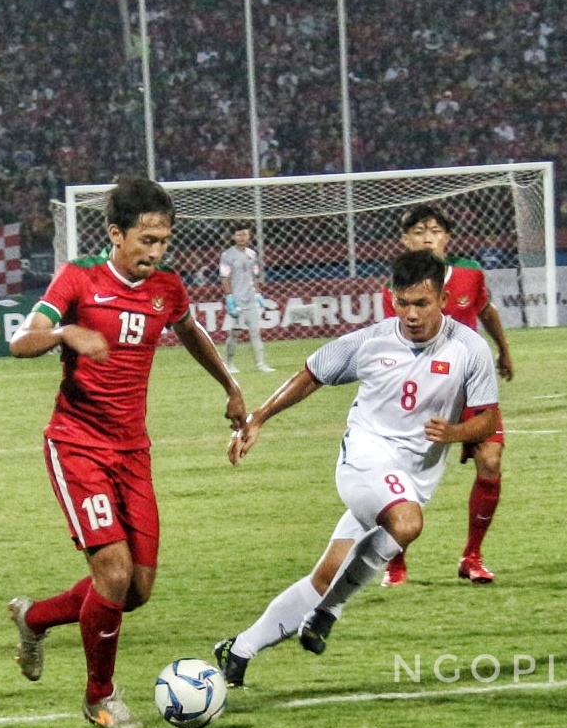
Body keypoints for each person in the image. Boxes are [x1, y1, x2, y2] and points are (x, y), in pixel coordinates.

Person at [6, 177, 247, 728]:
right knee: (111, 572)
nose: (156, 252)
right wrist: (67, 333)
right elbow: (21, 341)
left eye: (164, 241)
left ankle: (34, 617)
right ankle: (100, 698)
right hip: (76, 445)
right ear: (116, 234)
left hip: (133, 452)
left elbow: (191, 333)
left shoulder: (167, 286)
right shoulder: (80, 279)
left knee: (135, 590)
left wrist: (230, 387)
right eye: (146, 240)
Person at [213, 249, 501, 687]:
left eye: (421, 304)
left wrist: (456, 434)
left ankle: (239, 649)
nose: (410, 314)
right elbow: (311, 372)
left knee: (325, 575)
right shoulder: (371, 342)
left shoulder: (470, 349)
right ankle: (328, 611)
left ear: (442, 298)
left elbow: (488, 419)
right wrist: (259, 418)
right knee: (406, 522)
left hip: (410, 477)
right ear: (391, 298)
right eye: (402, 303)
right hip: (364, 459)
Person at [376, 206, 515, 587]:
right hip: (421, 389)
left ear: (447, 238)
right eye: (418, 231)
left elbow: (486, 311)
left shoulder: (469, 274)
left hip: (471, 384)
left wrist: (503, 349)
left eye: (435, 230)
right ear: (404, 240)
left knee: (491, 459)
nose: (427, 237)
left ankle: (472, 556)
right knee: (402, 475)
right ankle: (395, 561)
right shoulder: (399, 284)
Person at [219, 224, 274, 373]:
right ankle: (228, 364)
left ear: (249, 236)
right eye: (238, 235)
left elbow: (254, 276)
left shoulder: (252, 254)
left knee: (255, 332)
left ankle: (261, 364)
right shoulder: (227, 255)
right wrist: (229, 299)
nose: (242, 237)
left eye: (244, 234)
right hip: (237, 300)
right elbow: (225, 278)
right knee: (235, 333)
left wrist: (258, 294)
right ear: (233, 237)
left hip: (251, 299)